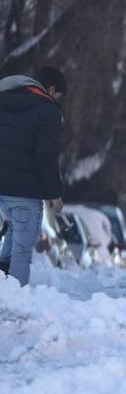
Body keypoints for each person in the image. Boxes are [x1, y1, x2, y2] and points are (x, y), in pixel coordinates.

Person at [0, 67, 67, 286]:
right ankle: (16, 301)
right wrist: (54, 194)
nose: (59, 101)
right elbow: (45, 156)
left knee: (10, 238)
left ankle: (4, 288)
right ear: (51, 89)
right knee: (21, 252)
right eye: (59, 97)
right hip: (24, 192)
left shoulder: (4, 99)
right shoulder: (48, 110)